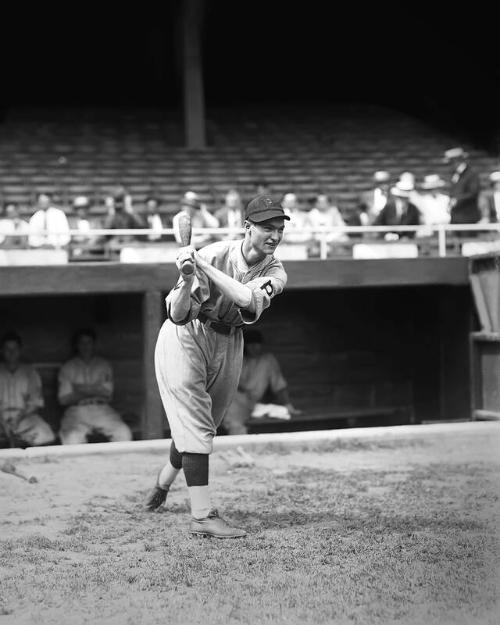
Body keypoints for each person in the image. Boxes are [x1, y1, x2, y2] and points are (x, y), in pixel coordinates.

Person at [145, 193, 289, 538]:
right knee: (195, 424)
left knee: (201, 427)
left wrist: (202, 266)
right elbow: (177, 315)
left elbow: (246, 298)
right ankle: (202, 516)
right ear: (247, 227)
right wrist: (186, 276)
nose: (274, 235)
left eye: (279, 228)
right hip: (187, 337)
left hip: (230, 340)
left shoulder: (276, 271)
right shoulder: (212, 252)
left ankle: (162, 485)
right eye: (266, 227)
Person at [58, 328, 132, 445]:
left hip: (101, 409)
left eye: (89, 342)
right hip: (77, 410)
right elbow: (64, 399)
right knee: (72, 439)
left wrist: (79, 388)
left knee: (124, 433)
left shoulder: (103, 365)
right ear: (76, 345)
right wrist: (96, 388)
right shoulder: (68, 367)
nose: (85, 346)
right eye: (82, 343)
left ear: (94, 344)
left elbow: (107, 393)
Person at [223, 330, 300, 435]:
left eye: (257, 345)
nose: (254, 348)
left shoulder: (267, 360)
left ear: (261, 345)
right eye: (251, 345)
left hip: (255, 402)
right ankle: (239, 439)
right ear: (245, 346)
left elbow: (278, 384)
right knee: (233, 419)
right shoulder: (238, 359)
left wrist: (288, 405)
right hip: (236, 401)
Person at [0, 331, 55, 448]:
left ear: (20, 350)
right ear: (2, 351)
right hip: (1, 418)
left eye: (15, 349)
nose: (11, 352)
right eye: (7, 349)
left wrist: (17, 419)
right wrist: (3, 423)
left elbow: (35, 402)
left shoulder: (29, 371)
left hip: (24, 418)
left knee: (46, 434)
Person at [444, 147, 481, 224]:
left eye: (450, 162)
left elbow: (473, 193)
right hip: (456, 216)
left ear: (456, 160)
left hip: (468, 216)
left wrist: (457, 199)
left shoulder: (471, 174)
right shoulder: (455, 174)